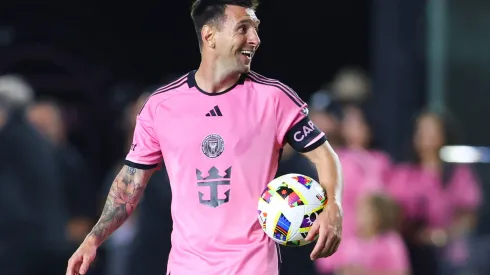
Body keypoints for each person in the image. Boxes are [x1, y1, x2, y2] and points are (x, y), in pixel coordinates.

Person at [66, 1, 343, 274]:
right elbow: (130, 183)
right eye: (243, 28)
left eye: (256, 29)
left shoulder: (273, 98)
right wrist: (94, 238)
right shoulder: (162, 106)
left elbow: (324, 155)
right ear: (210, 35)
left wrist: (332, 206)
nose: (255, 39)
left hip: (253, 267)